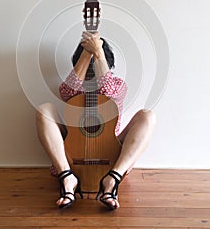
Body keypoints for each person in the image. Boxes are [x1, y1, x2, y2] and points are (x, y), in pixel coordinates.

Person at [36, 31, 156, 210]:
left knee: (148, 115)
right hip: (73, 156)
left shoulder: (118, 85)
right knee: (44, 110)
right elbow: (67, 92)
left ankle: (112, 179)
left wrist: (98, 52)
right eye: (87, 60)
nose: (92, 65)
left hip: (111, 157)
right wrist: (87, 52)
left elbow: (109, 93)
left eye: (97, 60)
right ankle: (66, 177)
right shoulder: (73, 88)